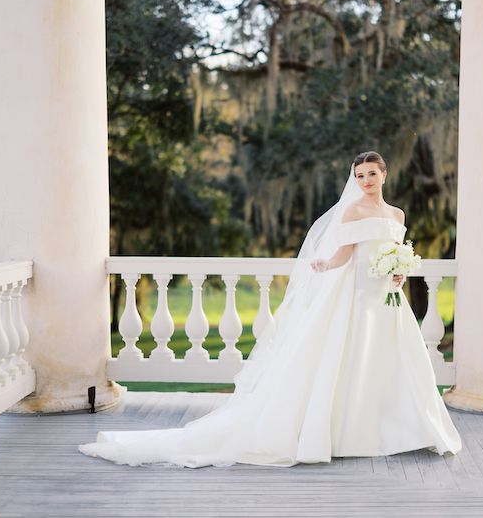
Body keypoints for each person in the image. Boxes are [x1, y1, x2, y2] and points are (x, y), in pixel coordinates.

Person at [79, 151, 462, 468]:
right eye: (359, 175)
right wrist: (324, 265)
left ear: (384, 174)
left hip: (387, 299)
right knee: (350, 359)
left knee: (391, 361)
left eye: (371, 174)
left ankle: (402, 428)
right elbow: (346, 253)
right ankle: (346, 431)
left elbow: (396, 253)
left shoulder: (397, 215)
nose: (365, 181)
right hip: (356, 297)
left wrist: (399, 272)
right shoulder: (352, 212)